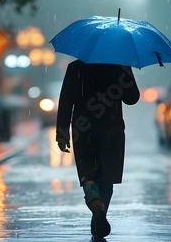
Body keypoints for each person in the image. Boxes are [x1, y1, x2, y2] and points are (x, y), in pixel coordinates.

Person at [56, 59, 140, 240]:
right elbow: (132, 98)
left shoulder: (76, 67)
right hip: (112, 131)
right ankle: (99, 216)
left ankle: (97, 210)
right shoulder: (118, 65)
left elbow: (65, 101)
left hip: (83, 129)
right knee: (107, 180)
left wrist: (62, 134)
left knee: (89, 177)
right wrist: (126, 70)